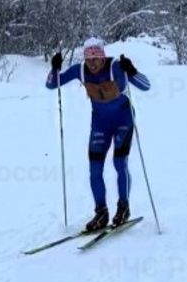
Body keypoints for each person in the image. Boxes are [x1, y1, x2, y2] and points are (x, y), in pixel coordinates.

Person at [46, 37, 151, 232]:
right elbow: (52, 85)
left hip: (123, 121)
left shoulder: (116, 67)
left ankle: (123, 207)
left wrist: (132, 71)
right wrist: (55, 68)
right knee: (95, 170)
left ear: (103, 57)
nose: (93, 64)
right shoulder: (80, 70)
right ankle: (101, 212)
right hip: (100, 124)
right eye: (89, 59)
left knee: (120, 163)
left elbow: (146, 86)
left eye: (97, 59)